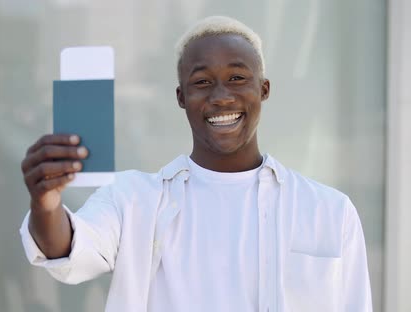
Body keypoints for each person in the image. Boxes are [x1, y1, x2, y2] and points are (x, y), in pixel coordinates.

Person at [19, 16, 372, 312]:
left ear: (263, 89)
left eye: (237, 78)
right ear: (181, 97)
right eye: (202, 82)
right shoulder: (133, 200)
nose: (221, 96)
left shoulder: (329, 211)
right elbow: (66, 252)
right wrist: (46, 203)